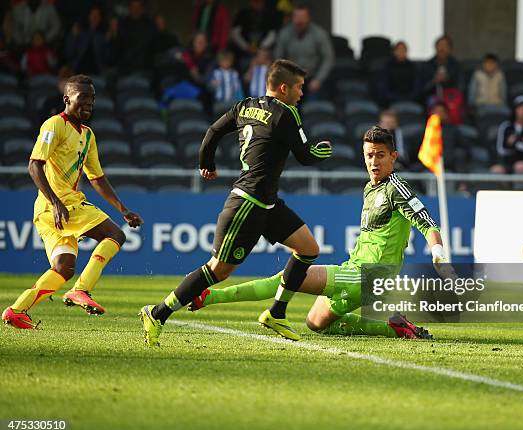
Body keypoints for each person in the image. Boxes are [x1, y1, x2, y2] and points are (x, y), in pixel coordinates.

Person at [188, 126, 449, 341]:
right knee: (315, 323)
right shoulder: (370, 188)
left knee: (290, 276)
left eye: (380, 155)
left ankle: (208, 295)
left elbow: (427, 222)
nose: (373, 162)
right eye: (369, 155)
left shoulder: (397, 188)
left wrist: (438, 254)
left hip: (370, 274)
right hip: (357, 272)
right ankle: (394, 328)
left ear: (393, 156)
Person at [140, 59, 333, 346]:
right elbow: (306, 156)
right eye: (299, 88)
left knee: (308, 249)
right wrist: (324, 151)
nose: (302, 94)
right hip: (248, 203)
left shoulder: (244, 106)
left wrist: (207, 163)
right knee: (217, 270)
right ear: (284, 88)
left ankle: (276, 313)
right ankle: (157, 313)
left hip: (267, 203)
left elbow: (213, 131)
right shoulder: (286, 113)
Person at [2, 75, 144, 330]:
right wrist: (56, 202)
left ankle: (17, 310)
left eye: (92, 99)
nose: (89, 103)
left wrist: (122, 208)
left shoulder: (87, 135)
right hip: (57, 205)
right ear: (67, 99)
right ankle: (82, 290)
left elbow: (97, 178)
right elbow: (34, 165)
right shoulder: (54, 125)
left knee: (63, 267)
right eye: (83, 98)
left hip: (54, 209)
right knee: (115, 235)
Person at [274, 3, 335, 100]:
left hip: (313, 78)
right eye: (296, 17)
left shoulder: (319, 34)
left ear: (308, 18)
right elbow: (278, 58)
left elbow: (328, 58)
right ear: (292, 18)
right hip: (291, 80)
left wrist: (318, 80)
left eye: (303, 17)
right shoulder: (285, 34)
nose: (299, 20)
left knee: (314, 108)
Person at [490, 96, 523, 174]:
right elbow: (501, 149)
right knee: (496, 170)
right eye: (520, 108)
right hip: (507, 161)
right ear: (514, 110)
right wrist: (522, 143)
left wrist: (514, 143)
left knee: (520, 167)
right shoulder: (506, 126)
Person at [109, 0, 156, 74]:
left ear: (142, 9)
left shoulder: (149, 25)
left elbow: (149, 46)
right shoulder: (123, 24)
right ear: (129, 9)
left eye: (138, 7)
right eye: (133, 7)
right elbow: (117, 48)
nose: (136, 10)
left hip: (144, 67)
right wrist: (114, 35)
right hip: (124, 67)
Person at [230, 0, 278, 70]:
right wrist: (246, 47)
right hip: (243, 52)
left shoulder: (270, 15)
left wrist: (262, 47)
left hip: (264, 53)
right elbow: (235, 33)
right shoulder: (242, 14)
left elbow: (273, 34)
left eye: (259, 2)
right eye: (255, 2)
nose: (257, 4)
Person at [63, 5, 110, 75]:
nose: (95, 17)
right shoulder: (80, 34)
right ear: (89, 16)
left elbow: (107, 59)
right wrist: (74, 37)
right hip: (78, 70)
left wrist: (109, 42)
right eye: (93, 14)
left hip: (96, 72)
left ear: (100, 18)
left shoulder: (102, 37)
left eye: (97, 15)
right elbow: (69, 53)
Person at [416, 35, 464, 103]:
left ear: (450, 49)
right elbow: (420, 89)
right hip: (431, 98)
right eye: (440, 45)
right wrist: (434, 81)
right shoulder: (427, 66)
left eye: (445, 46)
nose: (442, 48)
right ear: (435, 47)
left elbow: (460, 88)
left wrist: (448, 80)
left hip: (450, 97)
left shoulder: (456, 66)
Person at [380, 41, 417, 106]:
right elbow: (384, 87)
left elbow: (417, 86)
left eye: (404, 50)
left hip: (411, 100)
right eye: (399, 50)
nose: (401, 52)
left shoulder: (413, 67)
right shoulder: (387, 67)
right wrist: (395, 98)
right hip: (391, 100)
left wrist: (409, 98)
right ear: (394, 52)